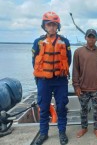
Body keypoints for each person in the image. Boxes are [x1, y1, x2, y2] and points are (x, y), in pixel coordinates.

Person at [32, 11, 71, 145]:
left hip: (60, 80)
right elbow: (34, 61)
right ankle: (43, 133)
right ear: (44, 26)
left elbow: (68, 60)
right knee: (43, 107)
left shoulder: (65, 41)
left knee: (61, 107)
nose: (52, 27)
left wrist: (61, 71)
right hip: (44, 80)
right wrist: (39, 78)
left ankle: (62, 132)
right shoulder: (38, 42)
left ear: (58, 26)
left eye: (54, 25)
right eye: (49, 25)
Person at [72, 29, 97, 139]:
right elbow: (75, 70)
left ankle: (96, 129)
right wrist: (76, 86)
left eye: (93, 37)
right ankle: (84, 128)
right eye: (89, 37)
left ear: (96, 38)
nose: (91, 39)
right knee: (83, 110)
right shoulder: (78, 52)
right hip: (83, 88)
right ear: (85, 38)